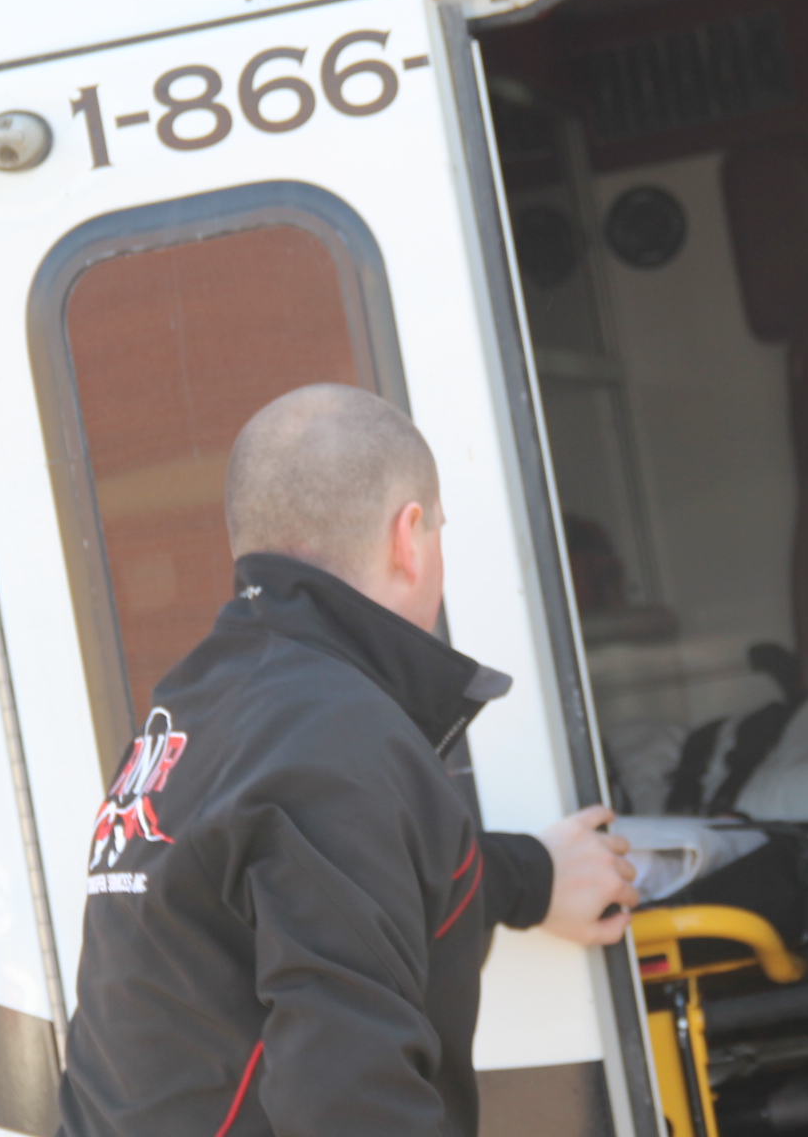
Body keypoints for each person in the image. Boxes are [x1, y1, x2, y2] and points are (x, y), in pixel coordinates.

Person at [58, 384, 641, 1137]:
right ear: (409, 538)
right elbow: (349, 1098)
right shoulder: (336, 739)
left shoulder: (198, 710)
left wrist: (535, 877)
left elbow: (331, 887)